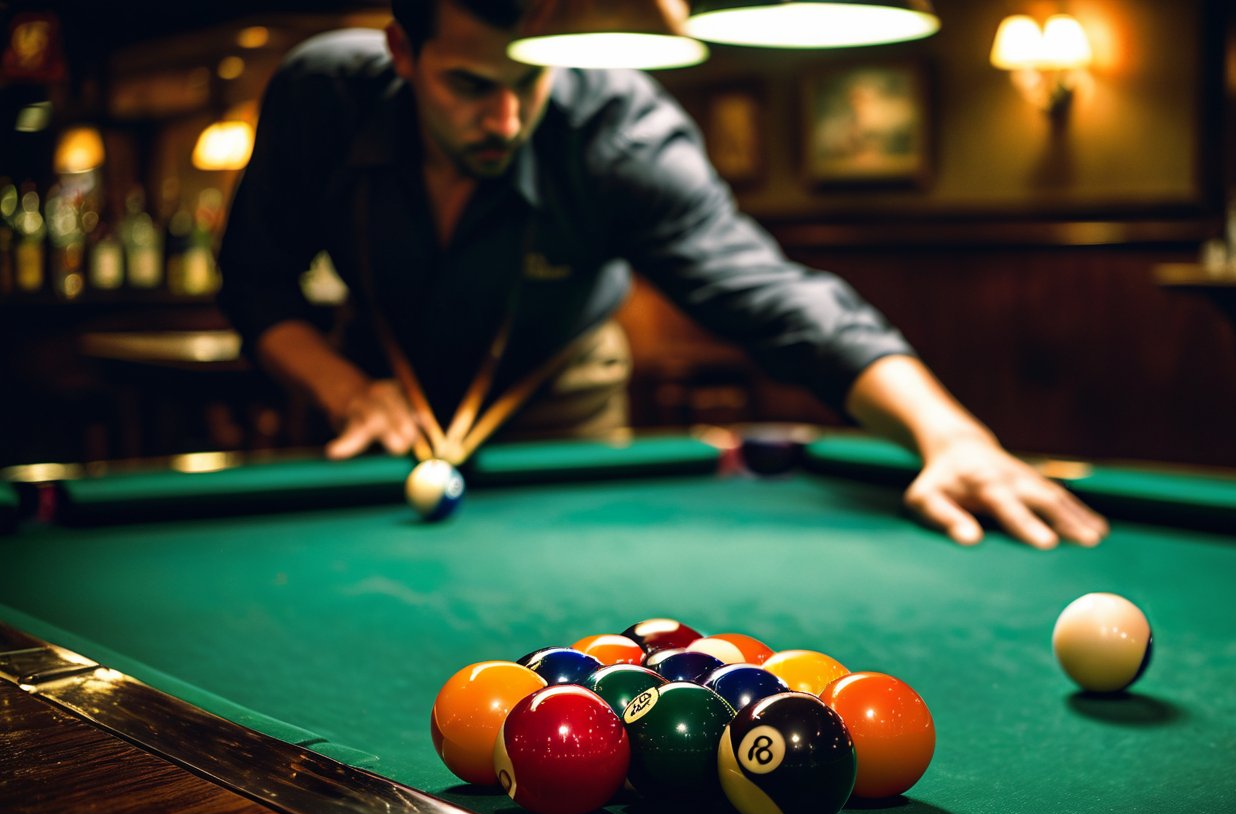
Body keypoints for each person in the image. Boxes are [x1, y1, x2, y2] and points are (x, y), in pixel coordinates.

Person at [217, 0, 1108, 550]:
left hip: (555, 390)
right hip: (366, 402)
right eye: (466, 83)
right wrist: (343, 388)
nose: (503, 116)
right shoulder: (321, 94)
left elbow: (774, 297)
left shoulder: (618, 125)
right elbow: (255, 285)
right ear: (402, 53)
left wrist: (946, 433)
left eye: (526, 79)